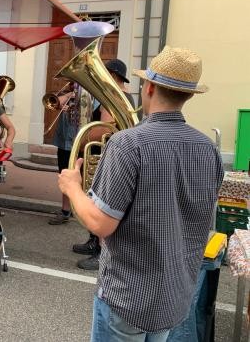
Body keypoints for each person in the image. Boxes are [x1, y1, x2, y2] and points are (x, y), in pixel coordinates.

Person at [58, 46, 224, 341]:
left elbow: (99, 224)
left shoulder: (127, 144)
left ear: (148, 88)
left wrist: (73, 188)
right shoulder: (209, 149)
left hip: (128, 296)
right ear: (188, 95)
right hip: (174, 294)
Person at [72, 58, 137, 270]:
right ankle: (93, 242)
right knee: (95, 197)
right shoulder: (120, 97)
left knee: (101, 202)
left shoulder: (115, 97)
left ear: (113, 76)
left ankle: (102, 252)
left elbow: (106, 127)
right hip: (107, 151)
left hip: (107, 152)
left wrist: (82, 139)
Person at [48, 88, 78, 225]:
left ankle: (79, 210)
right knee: (64, 175)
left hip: (77, 142)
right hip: (64, 142)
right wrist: (69, 94)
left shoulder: (89, 94)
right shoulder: (67, 92)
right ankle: (65, 211)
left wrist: (73, 109)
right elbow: (53, 103)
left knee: (78, 178)